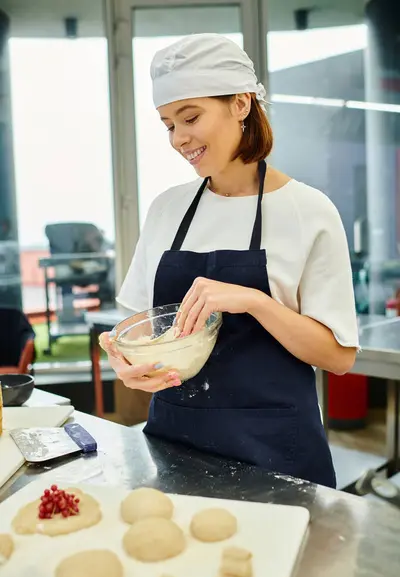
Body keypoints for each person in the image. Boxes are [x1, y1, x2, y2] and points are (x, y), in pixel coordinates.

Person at [100, 34, 359, 488]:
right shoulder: (167, 208)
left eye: (190, 117)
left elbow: (337, 356)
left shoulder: (308, 210)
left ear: (241, 104)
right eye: (167, 125)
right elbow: (143, 326)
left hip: (278, 455)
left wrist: (256, 302)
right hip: (175, 450)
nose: (179, 139)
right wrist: (126, 363)